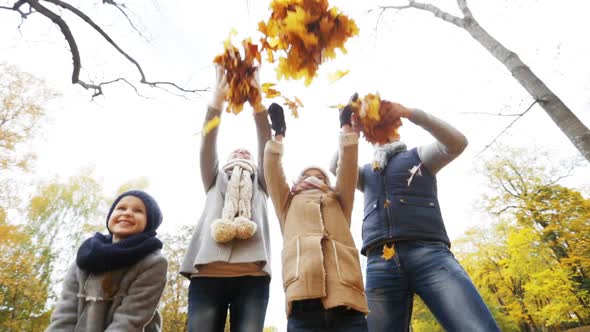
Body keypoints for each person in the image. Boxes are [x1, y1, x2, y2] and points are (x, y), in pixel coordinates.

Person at [330, 97, 500, 331]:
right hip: (380, 262)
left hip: (429, 253)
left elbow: (457, 143)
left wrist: (411, 113)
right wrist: (349, 130)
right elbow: (335, 167)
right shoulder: (366, 173)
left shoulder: (419, 157)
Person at [180, 66, 272, 332]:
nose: (243, 152)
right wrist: (217, 101)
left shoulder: (263, 183)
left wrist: (257, 104)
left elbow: (266, 146)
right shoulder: (214, 178)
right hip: (207, 275)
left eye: (248, 152)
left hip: (252, 278)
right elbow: (207, 143)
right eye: (237, 151)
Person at [264, 103, 369, 332]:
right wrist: (279, 134)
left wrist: (346, 129)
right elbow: (272, 169)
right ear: (296, 182)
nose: (314, 178)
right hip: (303, 303)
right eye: (307, 176)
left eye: (320, 176)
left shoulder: (338, 200)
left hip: (347, 302)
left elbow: (348, 168)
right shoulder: (287, 202)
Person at [46, 190, 168, 332]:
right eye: (121, 208)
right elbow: (65, 312)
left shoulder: (153, 262)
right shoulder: (86, 256)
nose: (127, 213)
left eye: (138, 211)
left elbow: (129, 320)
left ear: (149, 222)